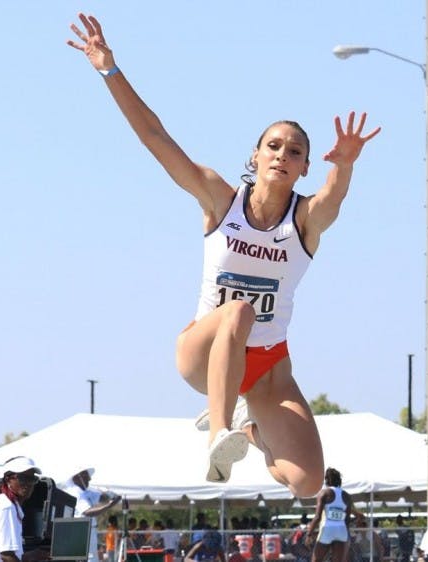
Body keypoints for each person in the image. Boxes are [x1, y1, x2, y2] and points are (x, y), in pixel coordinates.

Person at [66, 12, 380, 494]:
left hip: (268, 369)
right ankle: (218, 432)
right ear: (255, 156)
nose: (282, 154)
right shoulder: (220, 199)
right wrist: (110, 70)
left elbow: (332, 199)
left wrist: (345, 166)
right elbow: (156, 138)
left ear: (302, 169)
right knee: (238, 312)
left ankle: (246, 428)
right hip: (203, 349)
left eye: (295, 152)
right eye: (273, 146)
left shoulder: (304, 221)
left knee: (307, 483)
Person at [0, 456, 47, 562]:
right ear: (8, 479)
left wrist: (32, 555)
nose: (28, 483)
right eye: (22, 478)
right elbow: (6, 556)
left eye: (32, 479)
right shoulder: (6, 507)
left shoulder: (10, 505)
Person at [304, 468, 362, 562]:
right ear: (339, 480)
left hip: (327, 529)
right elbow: (347, 520)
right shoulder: (347, 496)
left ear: (326, 480)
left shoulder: (324, 493)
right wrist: (346, 537)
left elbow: (317, 517)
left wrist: (309, 534)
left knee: (316, 560)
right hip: (341, 530)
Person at [69, 468, 122, 562]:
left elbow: (102, 498)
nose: (89, 479)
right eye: (85, 476)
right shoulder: (76, 492)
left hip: (89, 530)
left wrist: (109, 494)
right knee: (90, 559)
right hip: (83, 531)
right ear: (76, 478)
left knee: (92, 558)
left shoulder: (86, 492)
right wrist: (109, 506)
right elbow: (87, 512)